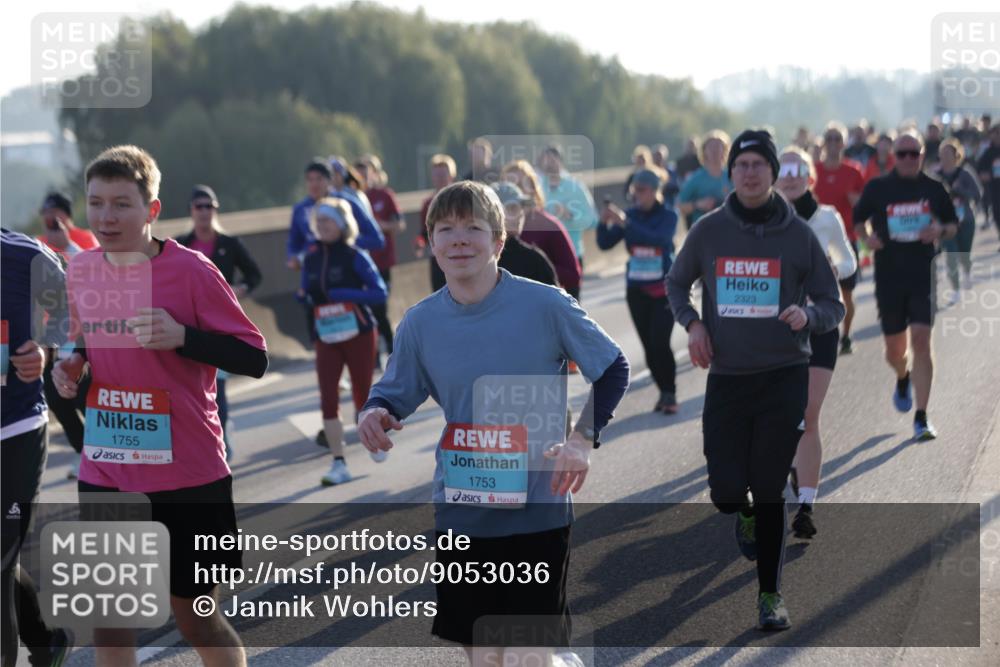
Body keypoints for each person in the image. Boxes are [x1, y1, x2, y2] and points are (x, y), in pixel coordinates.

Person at [358, 180, 629, 666]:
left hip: (537, 509)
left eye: (473, 228)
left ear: (498, 242)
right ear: (432, 243)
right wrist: (374, 413)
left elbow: (612, 367)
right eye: (446, 229)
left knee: (525, 656)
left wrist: (581, 440)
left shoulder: (546, 305)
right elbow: (392, 393)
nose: (459, 239)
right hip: (462, 511)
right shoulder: (420, 323)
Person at [52, 145, 268, 666]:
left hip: (188, 474)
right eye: (96, 203)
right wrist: (72, 365)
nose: (106, 217)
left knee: (194, 618)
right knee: (109, 621)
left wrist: (184, 337)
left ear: (151, 209)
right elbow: (82, 340)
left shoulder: (192, 271)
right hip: (107, 468)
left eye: (121, 204)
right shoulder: (80, 271)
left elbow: (254, 357)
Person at [667, 130, 844, 631]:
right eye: (741, 164)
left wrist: (808, 316)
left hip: (783, 376)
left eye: (758, 164)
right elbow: (677, 283)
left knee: (768, 489)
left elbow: (833, 303)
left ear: (773, 173)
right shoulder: (709, 231)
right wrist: (693, 324)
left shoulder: (799, 235)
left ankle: (771, 595)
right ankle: (740, 511)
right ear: (732, 173)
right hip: (728, 378)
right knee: (726, 492)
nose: (749, 172)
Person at [853, 131, 958, 440]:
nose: (909, 159)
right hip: (889, 276)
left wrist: (939, 229)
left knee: (922, 341)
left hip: (923, 273)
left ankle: (922, 417)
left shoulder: (934, 188)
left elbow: (953, 224)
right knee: (894, 351)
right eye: (902, 154)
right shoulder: (877, 188)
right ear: (894, 157)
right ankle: (902, 376)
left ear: (922, 155)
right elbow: (858, 221)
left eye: (914, 153)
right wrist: (866, 239)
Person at [774, 147, 857, 539]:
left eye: (798, 169)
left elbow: (851, 260)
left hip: (821, 323)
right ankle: (785, 468)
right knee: (779, 414)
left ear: (809, 176)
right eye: (784, 169)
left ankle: (805, 506)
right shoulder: (765, 220)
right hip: (776, 328)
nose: (790, 176)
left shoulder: (827, 217)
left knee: (808, 413)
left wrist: (834, 267)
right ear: (775, 177)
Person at [2, 228, 73, 667]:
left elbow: (70, 306)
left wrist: (46, 350)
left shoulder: (23, 255)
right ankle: (45, 643)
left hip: (16, 429)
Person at [298, 197, 387, 486]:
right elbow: (305, 291)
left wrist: (348, 294)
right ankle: (339, 462)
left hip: (358, 333)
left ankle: (374, 437)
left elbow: (379, 292)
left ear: (341, 224)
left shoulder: (355, 255)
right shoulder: (310, 257)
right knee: (328, 398)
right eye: (319, 221)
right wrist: (304, 298)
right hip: (326, 335)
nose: (323, 225)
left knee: (362, 395)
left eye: (328, 220)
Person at [176, 184, 263, 461]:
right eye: (199, 206)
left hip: (221, 327)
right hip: (190, 328)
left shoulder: (230, 244)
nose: (204, 212)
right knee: (192, 390)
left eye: (209, 206)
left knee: (218, 390)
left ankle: (220, 443)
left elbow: (254, 274)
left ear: (215, 210)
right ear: (191, 211)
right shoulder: (181, 245)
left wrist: (240, 289)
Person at [597, 167, 679, 414]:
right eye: (634, 190)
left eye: (642, 190)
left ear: (655, 191)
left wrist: (626, 223)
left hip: (663, 289)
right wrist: (604, 222)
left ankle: (670, 392)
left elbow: (658, 239)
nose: (637, 195)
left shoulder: (669, 215)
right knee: (648, 346)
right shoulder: (631, 215)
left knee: (659, 342)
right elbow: (604, 243)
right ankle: (663, 392)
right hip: (637, 290)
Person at [36, 193, 97, 479]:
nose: (50, 218)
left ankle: (102, 454)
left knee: (85, 399)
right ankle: (85, 453)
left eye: (55, 212)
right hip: (52, 339)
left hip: (83, 337)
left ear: (67, 214)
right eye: (46, 213)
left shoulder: (85, 239)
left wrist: (66, 245)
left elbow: (96, 274)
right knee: (56, 401)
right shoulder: (37, 244)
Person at [814, 122, 865, 355]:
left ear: (844, 143)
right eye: (829, 138)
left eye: (838, 139)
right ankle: (821, 335)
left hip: (845, 239)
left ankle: (846, 335)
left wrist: (856, 203)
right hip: (818, 240)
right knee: (817, 293)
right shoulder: (814, 170)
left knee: (846, 293)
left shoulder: (853, 171)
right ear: (824, 143)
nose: (833, 143)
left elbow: (863, 205)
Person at [286, 159, 384, 271]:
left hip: (349, 270)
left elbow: (377, 239)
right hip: (317, 272)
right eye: (310, 179)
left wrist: (342, 243)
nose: (314, 184)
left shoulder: (347, 203)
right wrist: (294, 257)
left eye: (319, 179)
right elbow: (294, 243)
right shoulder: (300, 209)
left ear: (330, 180)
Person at [500, 160, 582, 294]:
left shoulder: (549, 226)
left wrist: (537, 267)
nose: (514, 191)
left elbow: (573, 275)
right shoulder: (492, 230)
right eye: (508, 186)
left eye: (519, 185)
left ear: (532, 188)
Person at [357, 155, 405, 367]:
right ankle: (373, 355)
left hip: (382, 263)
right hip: (359, 264)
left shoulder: (385, 196)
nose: (362, 177)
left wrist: (378, 226)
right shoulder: (352, 198)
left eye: (365, 173)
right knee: (365, 310)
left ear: (375, 174)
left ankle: (395, 353)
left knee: (379, 309)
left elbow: (399, 225)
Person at [538, 144, 599, 296]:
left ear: (560, 161)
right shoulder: (537, 188)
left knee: (572, 303)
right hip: (544, 257)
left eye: (553, 160)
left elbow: (592, 220)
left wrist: (569, 215)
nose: (549, 164)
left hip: (571, 256)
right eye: (546, 160)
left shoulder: (575, 187)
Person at [937, 139, 982, 302]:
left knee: (964, 253)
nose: (945, 157)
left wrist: (960, 190)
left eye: (948, 154)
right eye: (942, 154)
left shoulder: (965, 173)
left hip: (966, 220)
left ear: (956, 155)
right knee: (951, 255)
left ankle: (967, 272)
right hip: (945, 222)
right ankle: (955, 289)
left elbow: (977, 194)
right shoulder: (935, 176)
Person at [493, 182, 558, 285]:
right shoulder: (479, 258)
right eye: (512, 208)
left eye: (521, 207)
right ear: (493, 213)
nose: (520, 214)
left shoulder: (534, 261)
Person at [415, 154, 457, 292]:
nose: (440, 178)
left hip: (459, 254)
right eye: (436, 175)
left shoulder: (461, 201)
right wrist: (420, 243)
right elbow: (424, 231)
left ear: (452, 175)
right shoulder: (428, 203)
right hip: (437, 258)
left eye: (443, 174)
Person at [677, 130, 732, 230]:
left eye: (718, 146)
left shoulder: (733, 177)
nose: (714, 151)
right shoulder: (695, 178)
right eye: (711, 147)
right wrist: (698, 204)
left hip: (729, 230)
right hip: (702, 232)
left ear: (725, 150)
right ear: (704, 151)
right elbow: (679, 206)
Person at [36, 192, 98, 259]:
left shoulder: (86, 237)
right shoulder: (38, 242)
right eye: (45, 212)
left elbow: (93, 263)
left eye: (53, 212)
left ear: (67, 213)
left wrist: (67, 246)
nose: (48, 216)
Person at [975, 124, 1000, 247]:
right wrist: (984, 175)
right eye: (995, 134)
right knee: (997, 213)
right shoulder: (988, 151)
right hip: (995, 188)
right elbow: (979, 168)